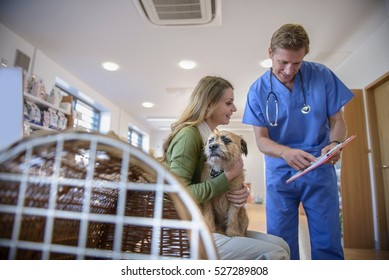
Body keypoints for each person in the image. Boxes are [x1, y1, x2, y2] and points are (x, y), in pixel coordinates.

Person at [242, 23, 354, 260]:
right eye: (283, 62)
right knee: (281, 242)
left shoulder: (322, 75)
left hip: (319, 167)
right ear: (270, 52)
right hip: (281, 172)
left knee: (328, 239)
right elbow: (261, 141)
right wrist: (285, 153)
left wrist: (334, 143)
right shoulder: (257, 91)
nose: (289, 70)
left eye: (297, 63)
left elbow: (338, 120)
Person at [162, 75, 290, 260]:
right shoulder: (189, 136)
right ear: (210, 104)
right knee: (275, 253)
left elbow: (209, 181)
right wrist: (228, 177)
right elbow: (178, 195)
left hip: (204, 223)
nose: (235, 109)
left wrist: (239, 191)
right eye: (229, 103)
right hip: (185, 231)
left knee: (281, 244)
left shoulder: (208, 137)